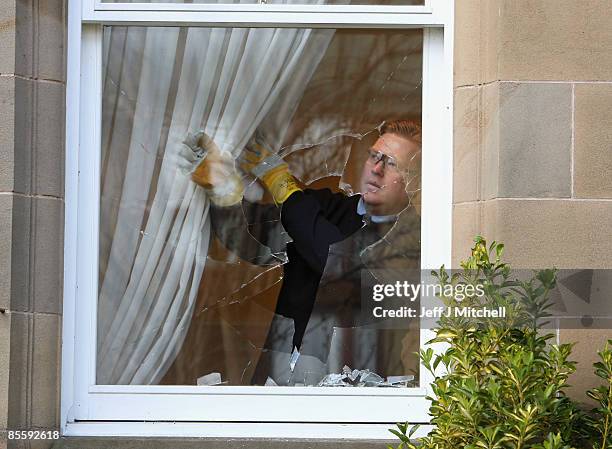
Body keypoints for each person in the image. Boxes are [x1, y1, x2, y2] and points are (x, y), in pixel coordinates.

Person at [186, 120, 422, 384]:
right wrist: (224, 191)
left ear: (413, 181)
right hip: (282, 373)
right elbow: (252, 241)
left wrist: (282, 184)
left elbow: (333, 260)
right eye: (373, 156)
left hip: (361, 382)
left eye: (391, 163)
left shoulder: (417, 240)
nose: (376, 169)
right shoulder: (324, 206)